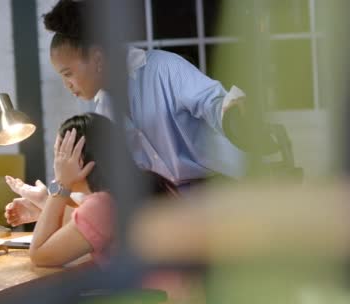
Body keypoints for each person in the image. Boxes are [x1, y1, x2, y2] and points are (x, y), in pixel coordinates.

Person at [43, 0, 246, 188]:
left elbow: (213, 103)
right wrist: (50, 196)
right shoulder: (105, 110)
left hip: (223, 188)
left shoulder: (165, 69)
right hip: (173, 203)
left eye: (67, 74)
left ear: (97, 59)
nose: (66, 85)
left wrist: (235, 117)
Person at [28, 112, 172, 267]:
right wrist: (42, 202)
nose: (56, 164)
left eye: (59, 155)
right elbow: (82, 225)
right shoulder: (149, 181)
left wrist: (61, 183)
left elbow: (39, 255)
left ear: (78, 159)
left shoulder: (101, 205)